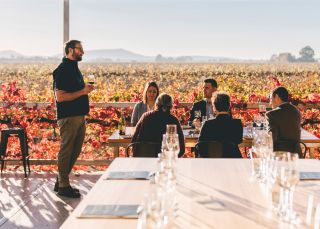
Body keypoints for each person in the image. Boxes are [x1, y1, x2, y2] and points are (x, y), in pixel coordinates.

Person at [52, 40, 94, 198]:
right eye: (80, 49)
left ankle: (61, 180)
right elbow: (60, 97)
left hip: (79, 116)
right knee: (66, 150)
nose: (82, 52)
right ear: (70, 50)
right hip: (68, 117)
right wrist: (83, 92)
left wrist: (85, 91)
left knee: (74, 151)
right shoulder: (62, 70)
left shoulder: (74, 69)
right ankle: (63, 185)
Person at [132, 93, 185, 157]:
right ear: (171, 106)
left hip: (143, 161)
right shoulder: (174, 121)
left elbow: (134, 141)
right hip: (166, 162)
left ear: (156, 104)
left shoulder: (145, 117)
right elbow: (181, 148)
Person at [198, 92, 243, 158]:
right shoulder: (237, 123)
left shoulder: (207, 124)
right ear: (229, 106)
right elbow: (239, 140)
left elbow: (200, 144)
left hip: (211, 161)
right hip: (232, 161)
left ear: (214, 107)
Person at [267, 87, 302, 157]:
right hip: (297, 156)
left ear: (276, 97)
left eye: (271, 99)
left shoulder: (272, 114)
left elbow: (272, 139)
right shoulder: (296, 111)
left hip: (279, 156)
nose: (270, 104)